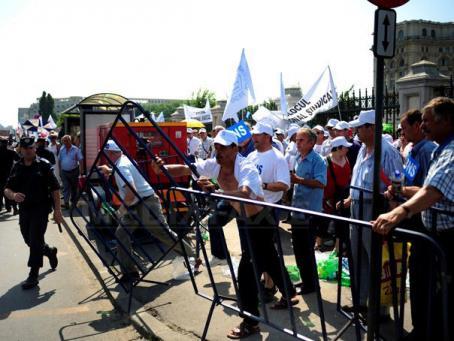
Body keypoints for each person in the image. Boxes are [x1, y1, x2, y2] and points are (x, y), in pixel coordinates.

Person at [152, 129, 298, 339]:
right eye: (216, 147)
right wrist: (162, 168)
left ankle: (251, 322)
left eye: (222, 148)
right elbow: (187, 168)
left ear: (234, 148)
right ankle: (289, 292)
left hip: (260, 220)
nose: (217, 151)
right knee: (269, 258)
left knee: (246, 272)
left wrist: (216, 192)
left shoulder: (246, 166)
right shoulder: (215, 164)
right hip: (246, 219)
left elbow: (245, 194)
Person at [373, 97, 454, 341]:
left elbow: (434, 191)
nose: (423, 126)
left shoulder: (449, 152)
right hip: (431, 236)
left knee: (441, 297)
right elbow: (427, 189)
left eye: (427, 121)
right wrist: (404, 192)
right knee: (424, 289)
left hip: (446, 241)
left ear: (447, 121)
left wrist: (400, 211)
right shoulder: (439, 149)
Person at [98, 140, 199, 282]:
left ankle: (193, 256)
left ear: (113, 153)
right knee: (121, 234)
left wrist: (120, 211)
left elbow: (131, 191)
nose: (105, 157)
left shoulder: (122, 166)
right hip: (136, 203)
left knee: (163, 233)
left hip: (145, 203)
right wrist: (110, 170)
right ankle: (130, 272)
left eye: (107, 154)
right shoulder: (124, 161)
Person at [341, 109, 403, 315]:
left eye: (360, 126)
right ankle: (360, 302)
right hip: (357, 208)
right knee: (358, 258)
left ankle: (379, 310)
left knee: (376, 258)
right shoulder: (362, 149)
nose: (357, 130)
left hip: (375, 209)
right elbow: (357, 177)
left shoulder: (387, 151)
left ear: (372, 128)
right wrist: (350, 198)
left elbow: (396, 185)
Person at [4, 137, 62, 289]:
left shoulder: (44, 165)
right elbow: (7, 189)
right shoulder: (17, 167)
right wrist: (13, 195)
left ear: (35, 148)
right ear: (21, 150)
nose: (28, 151)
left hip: (41, 209)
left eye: (31, 148)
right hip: (25, 210)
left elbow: (55, 189)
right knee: (28, 239)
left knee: (35, 240)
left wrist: (58, 211)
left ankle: (33, 275)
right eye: (25, 148)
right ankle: (49, 251)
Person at [247, 122, 290, 302]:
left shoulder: (277, 158)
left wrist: (263, 185)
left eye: (257, 134)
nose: (253, 137)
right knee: (256, 248)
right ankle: (265, 282)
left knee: (267, 248)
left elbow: (284, 185)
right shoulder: (251, 155)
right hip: (251, 209)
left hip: (269, 208)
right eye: (253, 134)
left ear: (267, 136)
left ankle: (271, 286)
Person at [290, 128, 327, 295]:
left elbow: (321, 183)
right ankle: (306, 280)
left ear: (312, 142)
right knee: (298, 249)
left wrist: (299, 180)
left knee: (306, 249)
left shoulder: (318, 160)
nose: (298, 143)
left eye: (301, 140)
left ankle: (311, 285)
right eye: (297, 140)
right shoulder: (298, 158)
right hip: (297, 211)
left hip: (310, 212)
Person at [323, 136, 352, 252]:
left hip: (345, 195)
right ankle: (337, 246)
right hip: (332, 196)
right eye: (345, 147)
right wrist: (327, 198)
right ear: (339, 148)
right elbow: (325, 182)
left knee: (344, 221)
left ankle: (339, 245)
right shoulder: (326, 161)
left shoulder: (346, 158)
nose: (347, 150)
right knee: (336, 221)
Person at [58, 135, 83, 209]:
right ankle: (66, 203)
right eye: (64, 141)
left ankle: (73, 202)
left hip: (74, 171)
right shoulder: (62, 149)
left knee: (74, 188)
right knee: (66, 187)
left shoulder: (76, 149)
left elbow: (80, 160)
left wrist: (81, 170)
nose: (65, 142)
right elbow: (59, 160)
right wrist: (60, 170)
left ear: (70, 141)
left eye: (67, 140)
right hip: (64, 172)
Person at [0, 137, 19, 214]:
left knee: (1, 191)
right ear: (7, 143)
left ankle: (4, 206)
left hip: (0, 175)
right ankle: (13, 208)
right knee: (10, 191)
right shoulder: (11, 152)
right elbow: (19, 159)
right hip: (9, 175)